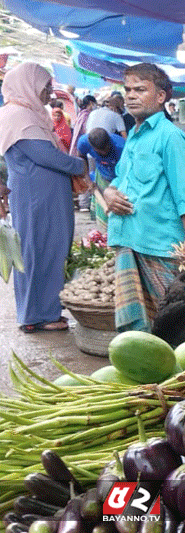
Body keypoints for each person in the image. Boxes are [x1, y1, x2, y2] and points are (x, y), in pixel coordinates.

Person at [104, 63, 185, 333]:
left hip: (159, 244)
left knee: (173, 322)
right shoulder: (133, 136)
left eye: (141, 89)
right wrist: (109, 193)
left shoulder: (171, 137)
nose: (131, 96)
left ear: (161, 96)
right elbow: (120, 179)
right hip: (129, 239)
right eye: (128, 90)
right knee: (139, 330)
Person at [0, 62, 88, 333]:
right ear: (27, 85)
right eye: (43, 86)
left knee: (47, 250)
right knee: (39, 251)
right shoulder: (18, 116)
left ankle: (40, 310)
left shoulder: (31, 114)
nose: (48, 92)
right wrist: (78, 165)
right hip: (37, 197)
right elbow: (44, 155)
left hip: (43, 195)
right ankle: (38, 313)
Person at [77, 128, 125, 230]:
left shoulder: (121, 146)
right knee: (104, 213)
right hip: (102, 174)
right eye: (100, 152)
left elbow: (126, 172)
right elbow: (81, 157)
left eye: (106, 150)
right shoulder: (84, 142)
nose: (103, 153)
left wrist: (114, 187)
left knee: (119, 210)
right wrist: (88, 180)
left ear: (109, 142)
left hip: (120, 177)